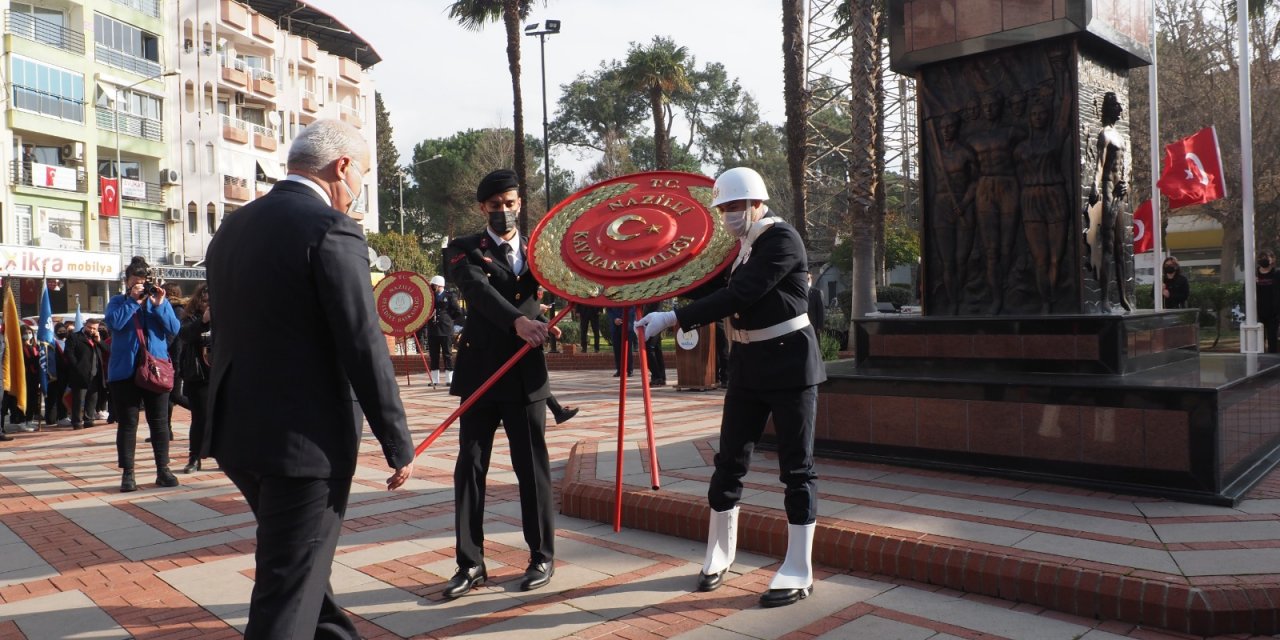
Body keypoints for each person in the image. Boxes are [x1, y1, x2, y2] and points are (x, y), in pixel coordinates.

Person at [205, 119, 414, 639]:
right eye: (362, 174)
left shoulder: (233, 226)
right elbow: (363, 341)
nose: (359, 189)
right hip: (305, 444)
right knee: (287, 589)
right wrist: (397, 440)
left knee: (299, 568)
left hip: (238, 433)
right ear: (342, 166)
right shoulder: (330, 228)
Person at [637, 167, 826, 608]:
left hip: (789, 365)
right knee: (729, 463)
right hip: (748, 366)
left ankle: (799, 568)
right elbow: (709, 283)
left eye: (735, 207)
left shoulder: (780, 241)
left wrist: (674, 318)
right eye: (723, 208)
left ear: (757, 203)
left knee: (797, 469)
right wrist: (654, 277)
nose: (728, 215)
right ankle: (719, 554)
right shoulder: (744, 248)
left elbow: (740, 294)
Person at [441, 168, 555, 598]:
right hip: (481, 373)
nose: (504, 212)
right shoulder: (464, 248)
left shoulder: (542, 252)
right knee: (470, 467)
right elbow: (480, 294)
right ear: (481, 208)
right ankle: (470, 563)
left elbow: (553, 290)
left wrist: (542, 323)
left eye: (510, 203)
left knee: (532, 468)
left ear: (520, 202)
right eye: (495, 206)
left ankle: (542, 555)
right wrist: (521, 322)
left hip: (526, 373)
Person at [106, 256, 181, 492]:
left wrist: (159, 305)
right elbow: (114, 324)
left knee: (159, 423)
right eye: (135, 282)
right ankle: (128, 474)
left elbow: (174, 329)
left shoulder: (157, 302)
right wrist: (132, 301)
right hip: (124, 372)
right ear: (127, 283)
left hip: (155, 369)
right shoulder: (118, 302)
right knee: (128, 424)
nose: (141, 286)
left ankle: (163, 470)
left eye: (143, 282)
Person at [1086, 92, 1132, 311]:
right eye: (1118, 107)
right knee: (1107, 244)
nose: (1121, 111)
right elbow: (1099, 164)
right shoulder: (1104, 135)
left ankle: (1122, 296)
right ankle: (1104, 298)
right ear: (1110, 108)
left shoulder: (1121, 137)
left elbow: (1125, 169)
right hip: (1107, 188)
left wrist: (1127, 184)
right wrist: (1095, 186)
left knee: (1120, 246)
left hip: (1119, 191)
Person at [177, 283, 211, 473]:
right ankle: (194, 457)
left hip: (220, 374)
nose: (208, 305)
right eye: (205, 301)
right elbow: (185, 335)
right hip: (198, 376)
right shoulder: (190, 318)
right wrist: (203, 321)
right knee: (200, 418)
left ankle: (224, 456)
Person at [422, 275, 464, 387]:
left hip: (445, 329)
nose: (432, 287)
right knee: (433, 355)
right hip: (433, 329)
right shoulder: (430, 297)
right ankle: (435, 379)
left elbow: (457, 311)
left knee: (447, 354)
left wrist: (448, 319)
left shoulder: (450, 296)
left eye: (434, 285)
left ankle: (449, 379)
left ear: (439, 285)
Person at [64, 319, 104, 429]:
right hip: (80, 374)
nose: (91, 330)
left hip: (95, 374)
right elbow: (68, 353)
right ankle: (76, 421)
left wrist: (99, 341)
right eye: (89, 327)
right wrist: (77, 367)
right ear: (85, 326)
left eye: (94, 328)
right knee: (78, 399)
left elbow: (107, 350)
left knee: (92, 399)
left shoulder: (96, 339)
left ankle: (89, 419)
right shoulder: (74, 337)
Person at [1258, 250, 1280, 353]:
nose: (1264, 260)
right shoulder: (1254, 274)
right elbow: (1245, 291)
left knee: (1272, 339)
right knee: (1259, 340)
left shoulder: (1277, 274)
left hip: (1273, 313)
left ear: (1273, 259)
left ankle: (1273, 365)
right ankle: (1259, 364)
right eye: (1261, 258)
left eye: (1266, 258)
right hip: (1258, 313)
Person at [642, 302, 667, 386]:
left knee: (649, 348)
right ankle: (661, 377)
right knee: (656, 349)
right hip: (654, 320)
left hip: (654, 321)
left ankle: (657, 376)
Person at [608, 306, 635, 378]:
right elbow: (609, 309)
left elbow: (632, 308)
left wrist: (622, 318)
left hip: (627, 326)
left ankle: (629, 370)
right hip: (615, 327)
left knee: (627, 349)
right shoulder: (612, 296)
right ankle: (619, 370)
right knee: (617, 349)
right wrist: (614, 319)